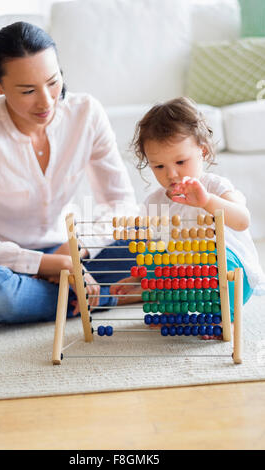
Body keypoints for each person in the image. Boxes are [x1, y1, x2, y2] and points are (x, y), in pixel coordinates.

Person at [0, 22, 137, 324]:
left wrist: (74, 250)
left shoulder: (86, 113)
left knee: (156, 248)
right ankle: (107, 297)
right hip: (4, 262)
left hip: (71, 248)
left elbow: (121, 205)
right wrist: (48, 265)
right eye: (28, 90)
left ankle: (53, 297)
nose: (47, 101)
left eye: (53, 82)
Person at [110, 97, 265, 337]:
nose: (171, 174)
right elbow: (154, 250)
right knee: (151, 256)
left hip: (226, 278)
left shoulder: (214, 186)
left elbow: (242, 220)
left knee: (218, 262)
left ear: (202, 150)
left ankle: (227, 317)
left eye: (181, 161)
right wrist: (135, 277)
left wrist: (207, 202)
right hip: (185, 282)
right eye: (158, 167)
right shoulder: (155, 202)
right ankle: (174, 311)